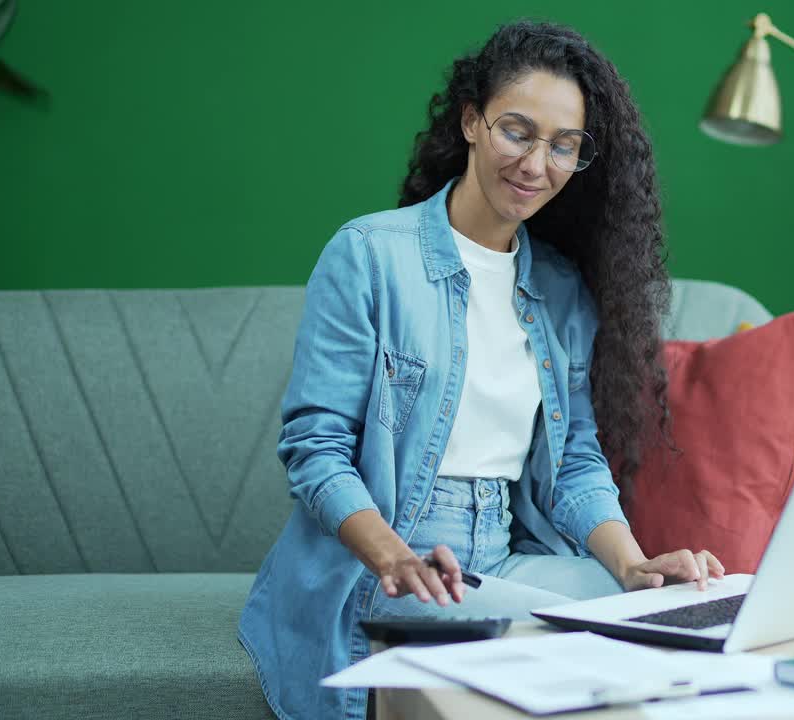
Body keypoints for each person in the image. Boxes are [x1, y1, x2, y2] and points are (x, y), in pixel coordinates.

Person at [237, 19, 725, 720]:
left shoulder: (560, 289)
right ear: (471, 121)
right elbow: (316, 451)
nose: (536, 164)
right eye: (516, 131)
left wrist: (634, 566)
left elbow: (578, 466)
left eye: (564, 145)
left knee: (668, 618)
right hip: (386, 561)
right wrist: (393, 556)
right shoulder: (370, 256)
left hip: (501, 553)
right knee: (589, 643)